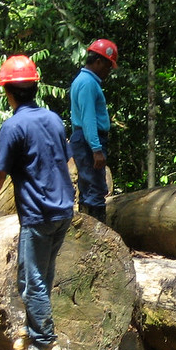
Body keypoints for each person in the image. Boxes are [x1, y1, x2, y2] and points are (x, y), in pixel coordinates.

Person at [0, 55, 75, 350]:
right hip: (62, 211)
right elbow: (65, 160)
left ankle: (44, 345)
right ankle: (33, 331)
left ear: (8, 92)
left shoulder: (13, 126)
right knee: (37, 275)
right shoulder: (54, 119)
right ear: (34, 87)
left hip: (38, 214)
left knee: (31, 282)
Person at [69, 39, 118, 223]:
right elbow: (88, 119)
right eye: (108, 66)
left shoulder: (83, 81)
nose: (108, 71)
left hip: (84, 138)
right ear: (98, 62)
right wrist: (96, 149)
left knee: (88, 187)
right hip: (89, 139)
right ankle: (97, 239)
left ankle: (86, 233)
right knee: (95, 189)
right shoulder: (88, 83)